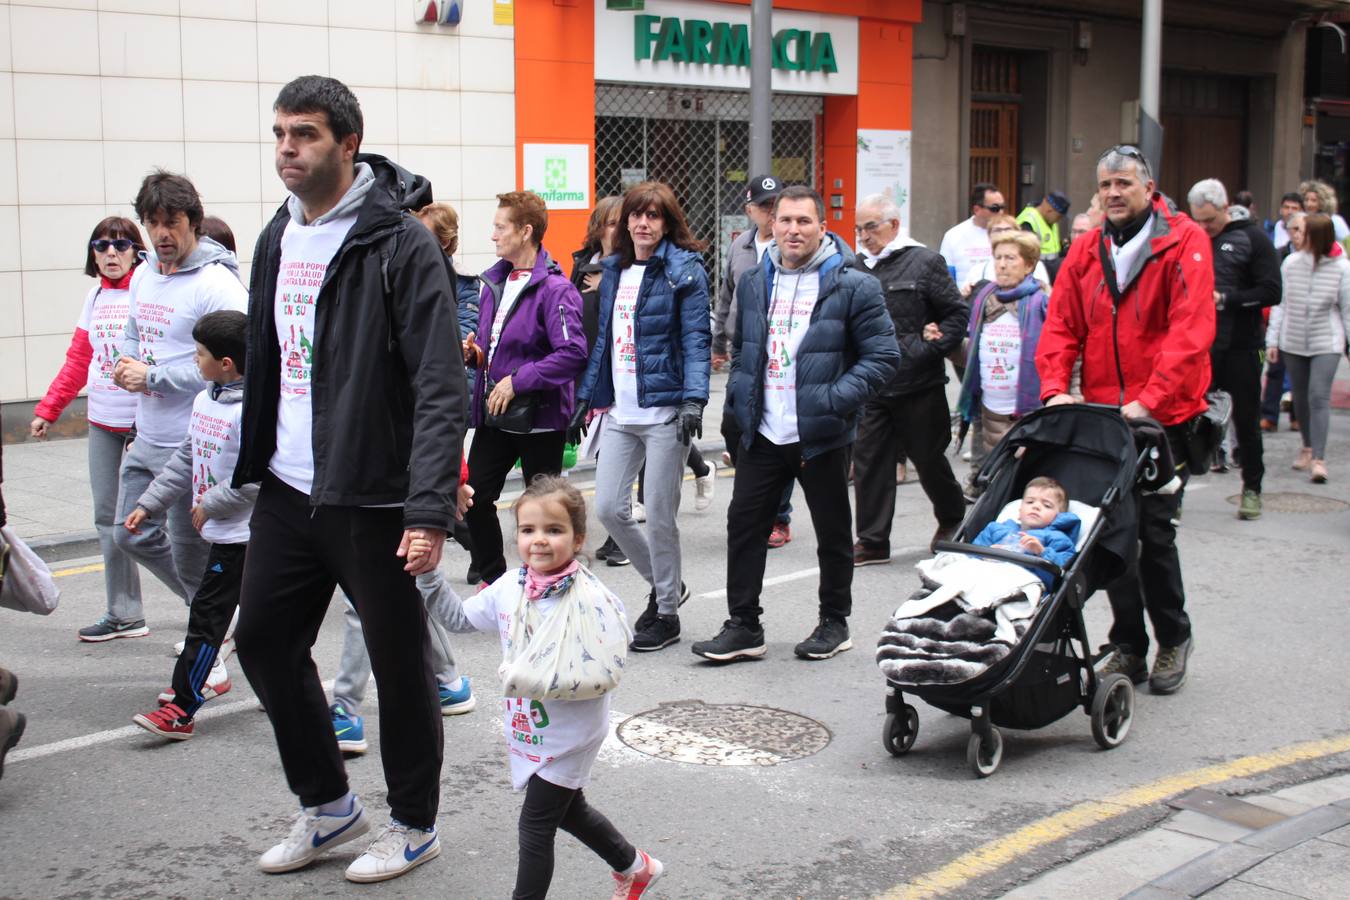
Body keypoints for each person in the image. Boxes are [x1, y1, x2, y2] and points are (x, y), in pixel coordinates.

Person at [232, 75, 466, 883]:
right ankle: (329, 806)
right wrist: (249, 457)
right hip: (291, 487)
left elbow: (441, 382)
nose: (286, 149)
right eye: (279, 134)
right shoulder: (278, 235)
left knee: (400, 666)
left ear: (348, 143)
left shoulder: (399, 243)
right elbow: (272, 359)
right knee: (262, 638)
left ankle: (414, 823)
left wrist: (429, 507)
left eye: (303, 134)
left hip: (373, 493)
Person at [414, 476, 664, 898]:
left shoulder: (594, 599)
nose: (539, 541)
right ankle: (636, 868)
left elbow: (606, 665)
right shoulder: (510, 588)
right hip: (533, 725)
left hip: (574, 732)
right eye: (528, 530)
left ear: (578, 537)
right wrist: (429, 575)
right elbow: (458, 620)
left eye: (554, 530)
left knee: (536, 824)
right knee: (569, 810)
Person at [691, 186, 899, 663]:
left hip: (821, 432)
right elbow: (745, 355)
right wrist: (734, 424)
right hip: (764, 431)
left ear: (822, 228)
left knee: (831, 529)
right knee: (743, 525)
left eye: (804, 221)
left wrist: (832, 400)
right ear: (772, 225)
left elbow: (884, 356)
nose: (793, 230)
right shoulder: (755, 280)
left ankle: (834, 621)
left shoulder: (854, 284)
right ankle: (744, 625)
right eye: (785, 221)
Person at [1036, 145, 1215, 695]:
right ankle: (1130, 646)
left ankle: (1174, 637)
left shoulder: (1184, 241)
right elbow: (1061, 324)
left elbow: (1190, 330)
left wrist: (1151, 400)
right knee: (1113, 535)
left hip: (1164, 418)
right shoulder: (1088, 248)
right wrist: (1052, 390)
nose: (1114, 193)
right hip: (1105, 416)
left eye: (1125, 184)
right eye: (1106, 185)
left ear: (1149, 187)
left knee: (1155, 537)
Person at [95, 172, 248, 642]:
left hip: (194, 443)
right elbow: (136, 331)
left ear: (193, 223)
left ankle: (210, 630)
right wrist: (127, 360)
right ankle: (213, 617)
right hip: (148, 434)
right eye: (153, 222)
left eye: (172, 222)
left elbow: (236, 363)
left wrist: (154, 376)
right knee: (128, 533)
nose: (162, 234)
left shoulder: (215, 284)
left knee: (190, 554)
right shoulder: (143, 275)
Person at [569, 181, 711, 653]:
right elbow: (603, 345)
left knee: (661, 517)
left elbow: (695, 340)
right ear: (626, 220)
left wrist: (694, 400)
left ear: (667, 223)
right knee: (609, 507)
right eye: (636, 215)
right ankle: (668, 584)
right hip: (621, 411)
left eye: (653, 216)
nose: (643, 224)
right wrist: (585, 400)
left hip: (666, 411)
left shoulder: (683, 270)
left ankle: (665, 610)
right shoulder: (613, 270)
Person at [125, 310, 253, 739]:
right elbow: (186, 457)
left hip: (246, 536)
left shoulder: (253, 412)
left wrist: (210, 505)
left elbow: (256, 480)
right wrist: (150, 503)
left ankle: (181, 708)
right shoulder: (206, 399)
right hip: (224, 531)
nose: (195, 361)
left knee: (207, 620)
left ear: (226, 364)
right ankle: (286, 695)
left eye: (199, 354)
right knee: (263, 628)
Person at [461, 191, 587, 587]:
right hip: (496, 418)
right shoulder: (494, 281)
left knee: (542, 513)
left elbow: (572, 353)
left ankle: (545, 582)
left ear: (526, 231)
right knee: (474, 499)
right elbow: (501, 347)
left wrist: (518, 381)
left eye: (501, 227)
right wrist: (477, 355)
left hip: (540, 421)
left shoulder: (555, 289)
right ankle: (496, 581)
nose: (493, 235)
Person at [29, 218, 145, 641]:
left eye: (120, 245)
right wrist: (48, 410)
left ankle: (211, 612)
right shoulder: (94, 297)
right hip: (103, 422)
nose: (110, 254)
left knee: (156, 526)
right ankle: (125, 612)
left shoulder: (147, 289)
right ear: (92, 253)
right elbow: (79, 360)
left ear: (137, 250)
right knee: (107, 519)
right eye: (101, 246)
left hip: (145, 425)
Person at [850, 193, 968, 566]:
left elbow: (955, 315)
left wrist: (927, 350)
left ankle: (951, 518)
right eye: (859, 229)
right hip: (873, 385)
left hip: (919, 384)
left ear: (894, 226)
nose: (864, 236)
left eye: (871, 227)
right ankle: (872, 540)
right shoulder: (855, 268)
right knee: (869, 463)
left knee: (929, 459)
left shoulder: (925, 262)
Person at [1187, 178, 1281, 520]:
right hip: (1202, 346)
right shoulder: (1193, 238)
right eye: (1198, 219)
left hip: (1243, 346)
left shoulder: (1254, 238)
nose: (1204, 227)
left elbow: (1272, 291)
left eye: (1210, 220)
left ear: (1225, 208)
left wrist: (1226, 300)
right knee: (1189, 419)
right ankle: (1176, 492)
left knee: (1246, 422)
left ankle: (1252, 488)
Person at [714, 173, 795, 549]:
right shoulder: (740, 247)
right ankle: (755, 493)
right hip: (742, 352)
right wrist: (717, 342)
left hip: (780, 352)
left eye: (776, 204)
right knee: (735, 426)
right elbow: (726, 296)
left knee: (777, 431)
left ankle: (778, 516)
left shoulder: (792, 248)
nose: (771, 212)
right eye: (764, 206)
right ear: (750, 210)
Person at [1268, 213, 1350, 485]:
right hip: (1293, 340)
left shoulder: (1342, 268)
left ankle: (1319, 458)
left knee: (1318, 395)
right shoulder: (1291, 263)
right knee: (1300, 398)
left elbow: (1347, 309)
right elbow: (1281, 304)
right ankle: (1306, 445)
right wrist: (1273, 340)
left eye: (1307, 233)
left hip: (1326, 340)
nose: (1299, 237)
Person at [571, 197, 631, 567]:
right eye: (609, 223)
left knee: (616, 456)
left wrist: (606, 283)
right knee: (602, 454)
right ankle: (617, 535)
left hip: (616, 369)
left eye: (619, 223)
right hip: (587, 365)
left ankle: (622, 538)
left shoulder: (627, 266)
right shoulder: (583, 263)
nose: (615, 230)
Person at [956, 231, 1051, 454]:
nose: (1002, 265)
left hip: (1030, 412)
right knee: (991, 479)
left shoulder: (1042, 303)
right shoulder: (982, 300)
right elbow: (973, 352)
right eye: (998, 258)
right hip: (989, 409)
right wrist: (944, 341)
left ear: (1029, 265)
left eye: (1010, 258)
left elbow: (1064, 355)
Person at [970, 476, 1079, 582]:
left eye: (1047, 505)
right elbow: (969, 554)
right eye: (1030, 502)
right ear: (1020, 511)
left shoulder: (1058, 538)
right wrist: (987, 553)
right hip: (983, 574)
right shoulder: (996, 528)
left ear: (1058, 517)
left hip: (1022, 581)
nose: (1036, 506)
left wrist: (1042, 552)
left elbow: (1062, 572)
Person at [1262, 210, 1307, 432]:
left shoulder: (1321, 259)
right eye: (1294, 230)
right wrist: (1271, 336)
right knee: (1275, 370)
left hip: (1308, 327)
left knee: (1301, 377)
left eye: (1301, 230)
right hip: (1282, 321)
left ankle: (1298, 416)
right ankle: (1269, 415)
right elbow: (1278, 297)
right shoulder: (1280, 255)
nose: (1297, 235)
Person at [961, 213, 1052, 297]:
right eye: (997, 230)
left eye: (1007, 230)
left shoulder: (1037, 267)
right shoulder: (978, 270)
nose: (1003, 234)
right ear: (988, 236)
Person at [940, 181, 1005, 287]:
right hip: (965, 299)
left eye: (1003, 207)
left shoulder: (1009, 234)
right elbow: (947, 277)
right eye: (995, 208)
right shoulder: (954, 235)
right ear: (977, 209)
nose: (1001, 212)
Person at [1015, 190, 1070, 278]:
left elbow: (1052, 251)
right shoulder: (1028, 222)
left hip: (1050, 276)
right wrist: (1058, 264)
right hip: (1035, 277)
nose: (1059, 220)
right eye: (1059, 216)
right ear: (1049, 210)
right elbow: (1026, 257)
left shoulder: (1051, 221)